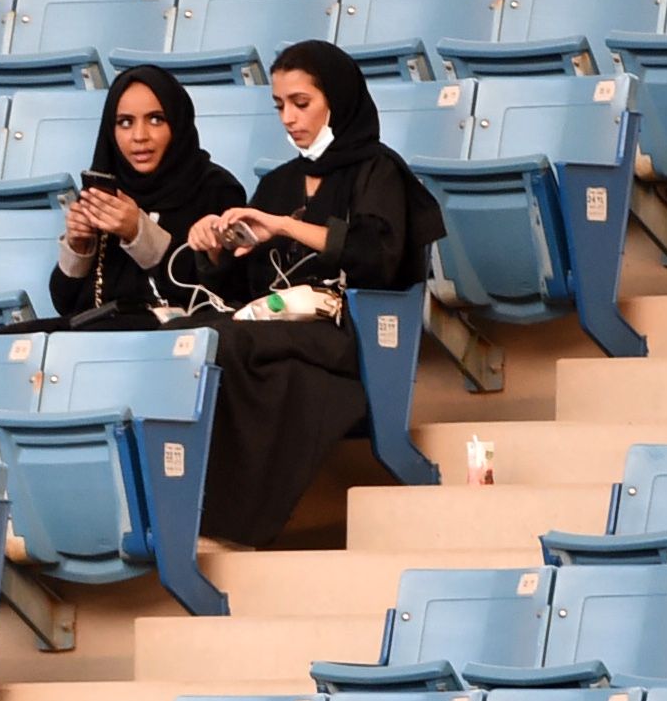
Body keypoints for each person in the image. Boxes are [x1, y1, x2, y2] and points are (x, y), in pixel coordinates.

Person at [176, 41, 446, 547]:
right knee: (190, 336)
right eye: (280, 105)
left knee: (228, 342)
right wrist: (213, 247)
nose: (288, 118)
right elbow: (240, 284)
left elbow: (378, 255)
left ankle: (229, 527)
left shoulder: (378, 170)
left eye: (301, 103)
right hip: (273, 326)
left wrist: (284, 227)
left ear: (336, 100)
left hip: (346, 331)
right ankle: (186, 513)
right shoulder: (279, 182)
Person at [47, 67, 245, 327]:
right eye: (125, 122)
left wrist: (138, 232)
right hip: (100, 334)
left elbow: (226, 294)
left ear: (177, 121)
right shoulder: (107, 189)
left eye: (156, 119)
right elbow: (65, 304)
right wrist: (79, 249)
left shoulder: (216, 189)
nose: (139, 136)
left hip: (178, 334)